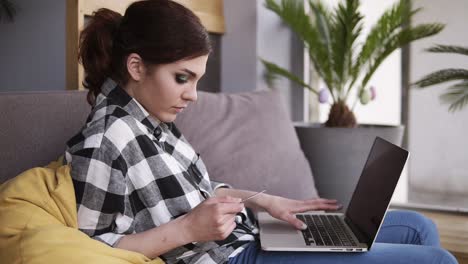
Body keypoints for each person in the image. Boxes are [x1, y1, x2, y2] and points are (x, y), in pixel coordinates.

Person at [65, 1, 458, 263]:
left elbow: (201, 191)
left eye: (196, 80)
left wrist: (265, 201)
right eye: (182, 78)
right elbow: (92, 249)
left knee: (420, 227)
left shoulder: (152, 119)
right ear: (136, 67)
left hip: (249, 235)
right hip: (233, 259)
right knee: (438, 259)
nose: (193, 96)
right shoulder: (105, 140)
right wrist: (187, 228)